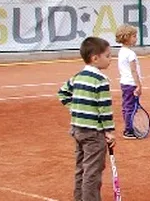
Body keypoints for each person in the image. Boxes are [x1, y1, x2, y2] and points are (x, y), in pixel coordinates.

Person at [57, 37, 116, 201]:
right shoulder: (101, 81)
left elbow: (62, 93)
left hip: (77, 130)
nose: (110, 59)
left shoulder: (77, 77)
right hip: (93, 133)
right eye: (108, 56)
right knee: (92, 171)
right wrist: (110, 132)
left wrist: (77, 108)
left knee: (81, 168)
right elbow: (105, 109)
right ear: (95, 58)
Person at [115, 25, 143, 140]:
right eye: (134, 36)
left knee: (128, 107)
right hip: (131, 84)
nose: (136, 38)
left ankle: (130, 127)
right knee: (130, 107)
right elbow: (133, 70)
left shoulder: (122, 51)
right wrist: (138, 85)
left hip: (125, 83)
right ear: (127, 38)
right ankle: (129, 130)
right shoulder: (131, 54)